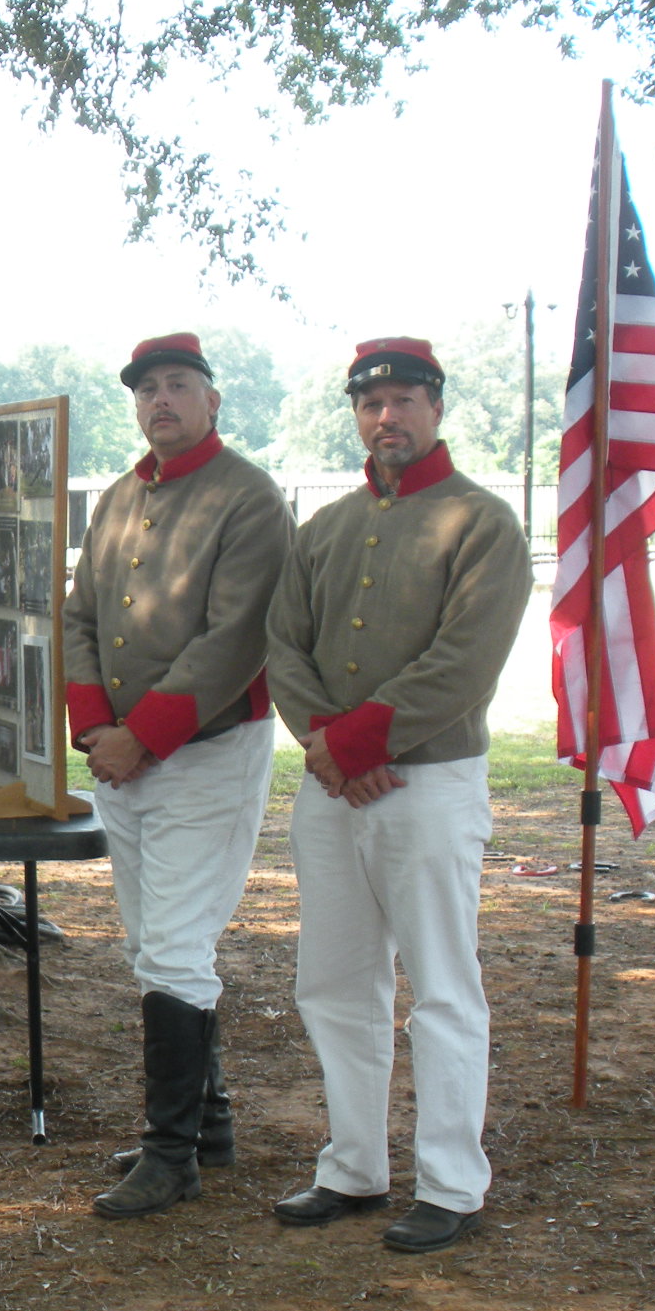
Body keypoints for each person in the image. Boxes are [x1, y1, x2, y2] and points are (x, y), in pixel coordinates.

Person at [265, 337, 532, 1254]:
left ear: (436, 408)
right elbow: (282, 647)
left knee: (444, 988)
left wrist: (352, 742)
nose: (387, 418)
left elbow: (465, 662)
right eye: (371, 404)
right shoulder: (325, 530)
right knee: (334, 983)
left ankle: (454, 1184)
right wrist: (328, 747)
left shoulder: (482, 523)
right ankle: (352, 1167)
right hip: (333, 787)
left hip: (429, 783)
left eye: (405, 400)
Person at [63, 332, 294, 1220]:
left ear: (212, 399)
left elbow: (236, 639)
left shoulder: (248, 497)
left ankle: (172, 1159)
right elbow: (81, 613)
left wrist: (142, 736)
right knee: (153, 940)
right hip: (121, 754)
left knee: (174, 944)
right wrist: (94, 727)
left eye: (178, 385)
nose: (161, 400)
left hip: (206, 751)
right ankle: (208, 1125)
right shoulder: (123, 494)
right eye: (148, 388)